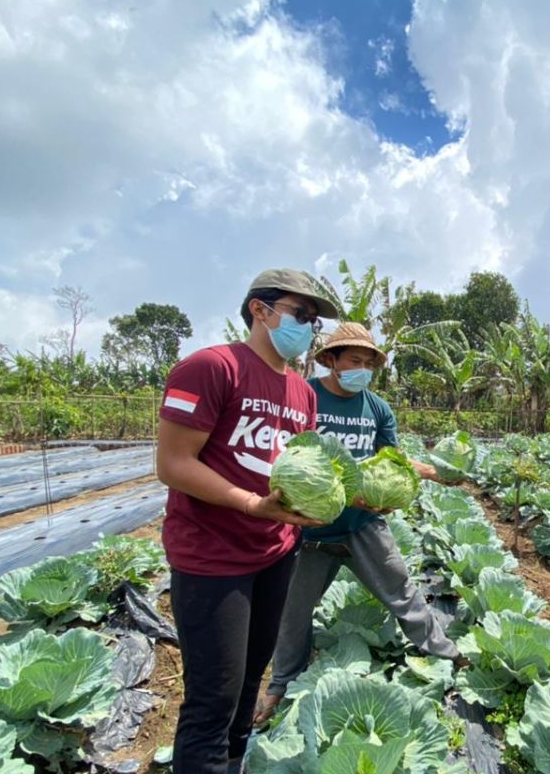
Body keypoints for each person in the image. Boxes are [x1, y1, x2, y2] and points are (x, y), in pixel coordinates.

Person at [156, 269, 338, 774]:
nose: (308, 327)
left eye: (313, 321)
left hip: (276, 553)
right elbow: (172, 464)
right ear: (260, 309)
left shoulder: (302, 392)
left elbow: (303, 464)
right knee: (212, 699)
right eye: (300, 314)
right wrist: (250, 504)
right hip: (213, 557)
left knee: (248, 685)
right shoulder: (212, 367)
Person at [253, 322, 462, 726]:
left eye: (369, 362)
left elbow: (392, 458)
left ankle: (446, 652)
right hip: (308, 526)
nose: (362, 368)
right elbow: (287, 457)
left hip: (363, 523)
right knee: (292, 612)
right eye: (354, 360)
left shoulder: (377, 407)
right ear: (331, 360)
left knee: (400, 590)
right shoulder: (304, 396)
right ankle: (281, 684)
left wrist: (435, 472)